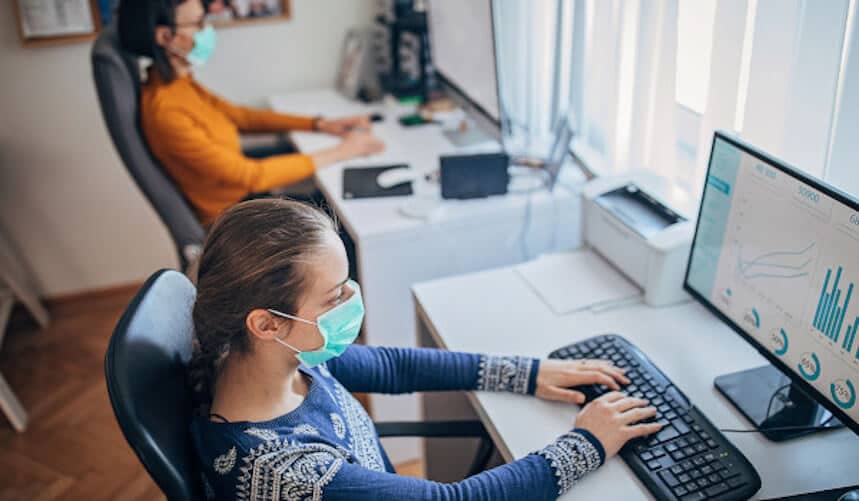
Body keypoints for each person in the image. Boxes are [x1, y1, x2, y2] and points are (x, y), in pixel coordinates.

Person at [189, 198, 663, 500]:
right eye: (335, 296)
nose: (353, 300)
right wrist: (589, 443)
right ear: (267, 323)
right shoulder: (289, 472)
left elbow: (391, 366)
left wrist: (529, 372)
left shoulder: (268, 358)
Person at [117, 0, 384, 225]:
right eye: (198, 23)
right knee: (347, 223)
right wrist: (345, 150)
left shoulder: (178, 84)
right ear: (165, 37)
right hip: (235, 219)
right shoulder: (166, 112)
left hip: (243, 194)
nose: (207, 30)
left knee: (336, 201)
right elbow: (250, 176)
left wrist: (319, 124)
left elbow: (240, 117)